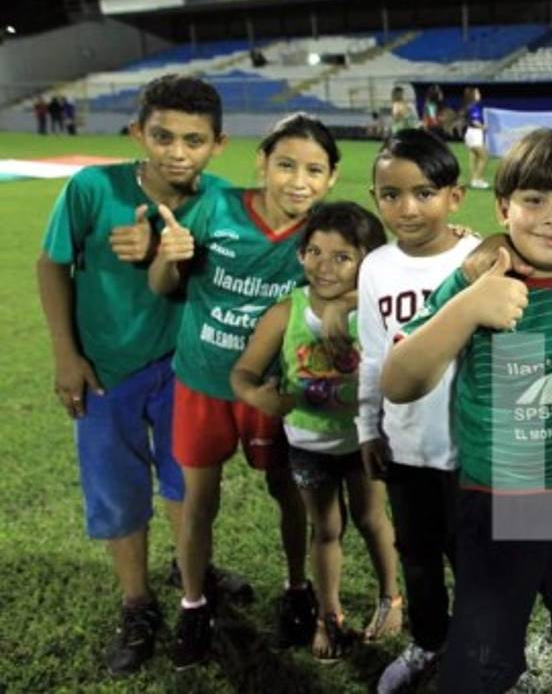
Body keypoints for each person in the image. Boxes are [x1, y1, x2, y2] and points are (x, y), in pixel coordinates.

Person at [381, 128, 552, 693]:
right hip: (500, 495)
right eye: (533, 201)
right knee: (481, 654)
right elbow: (400, 381)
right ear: (503, 206)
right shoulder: (474, 281)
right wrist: (469, 307)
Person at [35, 74, 242, 676]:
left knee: (189, 488)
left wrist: (174, 251)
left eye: (194, 140)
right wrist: (65, 354)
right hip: (105, 370)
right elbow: (51, 264)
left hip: (187, 370)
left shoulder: (223, 200)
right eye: (163, 136)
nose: (178, 152)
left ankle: (189, 578)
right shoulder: (92, 188)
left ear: (217, 144)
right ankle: (137, 604)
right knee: (117, 494)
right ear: (137, 133)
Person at [150, 113, 343, 669]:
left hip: (274, 391)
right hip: (202, 384)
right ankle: (194, 604)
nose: (297, 181)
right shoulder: (215, 208)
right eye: (285, 165)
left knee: (289, 490)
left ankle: (296, 588)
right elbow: (164, 287)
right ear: (262, 163)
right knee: (197, 502)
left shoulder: (323, 233)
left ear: (330, 178)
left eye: (313, 170)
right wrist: (170, 257)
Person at [231, 202, 402, 661]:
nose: (324, 266)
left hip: (364, 443)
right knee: (325, 530)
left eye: (342, 257)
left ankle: (392, 598)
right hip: (307, 445)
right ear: (301, 253)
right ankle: (329, 616)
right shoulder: (287, 311)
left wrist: (345, 304)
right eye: (314, 252)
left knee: (371, 520)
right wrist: (256, 396)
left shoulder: (376, 308)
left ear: (369, 261)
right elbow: (242, 373)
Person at [362, 130, 481, 692]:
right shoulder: (376, 267)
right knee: (418, 559)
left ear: (454, 197)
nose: (407, 208)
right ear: (375, 197)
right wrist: (368, 428)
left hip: (471, 450)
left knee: (476, 561)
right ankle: (428, 642)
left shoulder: (478, 257)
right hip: (405, 447)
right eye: (391, 195)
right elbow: (371, 354)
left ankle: (484, 648)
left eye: (424, 192)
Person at [461, 86, 490, 190]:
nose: (479, 95)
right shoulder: (474, 106)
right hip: (474, 133)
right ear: (473, 95)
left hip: (471, 133)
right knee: (484, 156)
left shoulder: (470, 106)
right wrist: (483, 127)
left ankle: (474, 179)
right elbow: (474, 121)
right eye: (477, 93)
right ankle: (478, 180)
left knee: (474, 156)